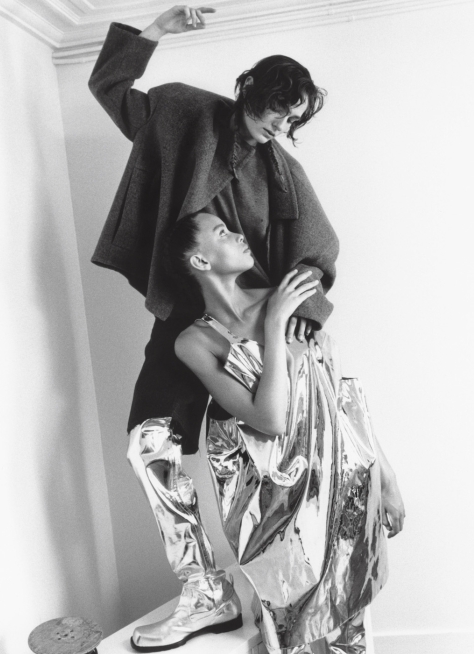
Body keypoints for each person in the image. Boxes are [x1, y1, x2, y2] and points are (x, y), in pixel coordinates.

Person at [89, 5, 340, 651]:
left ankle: (289, 609)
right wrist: (157, 29)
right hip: (185, 313)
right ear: (251, 88)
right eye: (279, 110)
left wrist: (295, 318)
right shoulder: (181, 113)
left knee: (258, 463)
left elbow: (317, 250)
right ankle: (204, 590)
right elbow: (110, 87)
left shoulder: (281, 171)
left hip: (256, 325)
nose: (282, 127)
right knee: (150, 443)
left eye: (294, 119)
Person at [128, 211, 405, 654]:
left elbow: (338, 397)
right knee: (286, 626)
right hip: (271, 506)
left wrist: (386, 477)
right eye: (221, 232)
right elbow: (269, 418)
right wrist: (275, 326)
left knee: (347, 625)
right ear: (200, 261)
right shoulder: (194, 342)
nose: (239, 234)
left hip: (339, 481)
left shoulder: (289, 295)